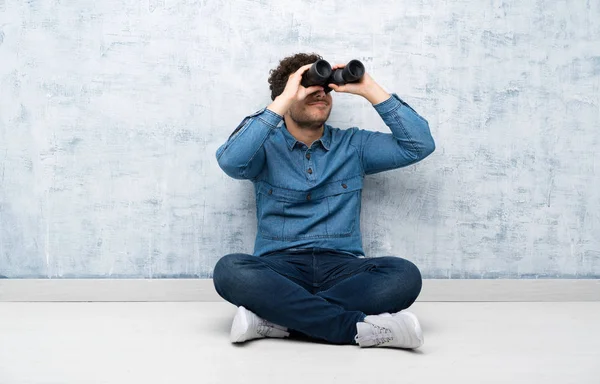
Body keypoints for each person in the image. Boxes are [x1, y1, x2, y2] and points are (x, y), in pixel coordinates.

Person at [213, 53, 435, 349]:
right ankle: (353, 329)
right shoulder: (263, 148)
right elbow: (230, 161)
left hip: (342, 269)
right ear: (288, 95)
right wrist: (282, 101)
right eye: (309, 90)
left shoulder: (353, 145)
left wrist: (369, 88)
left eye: (326, 90)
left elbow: (419, 145)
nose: (321, 96)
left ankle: (277, 322)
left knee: (404, 275)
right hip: (280, 269)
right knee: (229, 270)